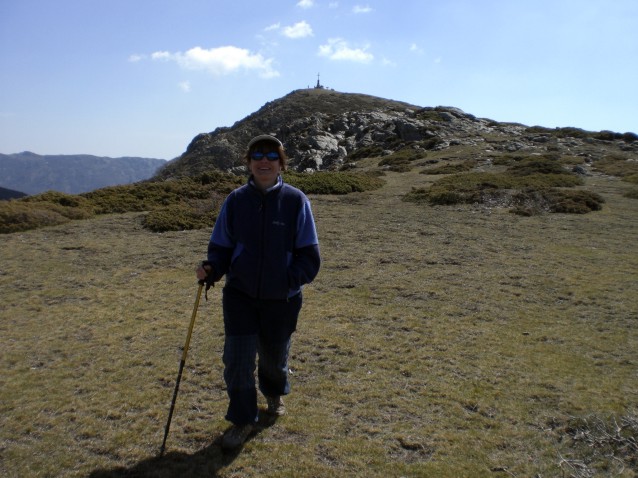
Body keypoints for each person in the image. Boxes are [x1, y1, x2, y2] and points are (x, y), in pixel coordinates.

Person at [195, 134, 321, 450]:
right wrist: (212, 269)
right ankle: (242, 420)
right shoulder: (236, 201)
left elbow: (309, 256)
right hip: (240, 295)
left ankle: (275, 393)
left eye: (271, 156)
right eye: (257, 156)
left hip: (282, 300)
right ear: (249, 163)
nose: (264, 161)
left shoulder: (296, 201)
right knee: (236, 360)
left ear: (281, 163)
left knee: (273, 359)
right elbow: (221, 247)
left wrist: (288, 282)